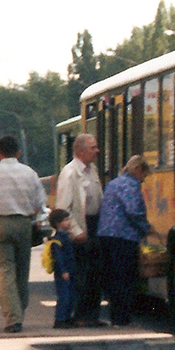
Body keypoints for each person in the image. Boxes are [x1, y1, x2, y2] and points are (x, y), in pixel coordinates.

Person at [0, 134, 46, 334]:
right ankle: (20, 313)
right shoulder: (29, 173)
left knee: (5, 271)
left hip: (0, 223)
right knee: (23, 271)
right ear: (18, 152)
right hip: (23, 223)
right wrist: (28, 215)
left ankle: (12, 318)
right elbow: (39, 203)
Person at [96, 155, 155, 327]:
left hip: (106, 235)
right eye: (144, 175)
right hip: (123, 237)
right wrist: (147, 227)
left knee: (114, 278)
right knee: (125, 278)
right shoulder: (130, 185)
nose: (144, 180)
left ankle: (116, 316)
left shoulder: (113, 183)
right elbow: (133, 211)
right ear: (138, 170)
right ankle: (122, 319)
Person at [54, 133, 105, 327]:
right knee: (81, 275)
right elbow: (63, 207)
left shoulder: (92, 170)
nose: (97, 151)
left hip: (94, 224)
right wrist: (75, 232)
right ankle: (80, 316)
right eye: (93, 148)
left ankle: (92, 315)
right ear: (80, 151)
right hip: (80, 228)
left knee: (94, 274)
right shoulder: (70, 173)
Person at [45, 208, 77, 329]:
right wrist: (63, 271)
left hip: (70, 270)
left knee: (71, 295)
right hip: (64, 273)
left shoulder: (66, 237)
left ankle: (67, 317)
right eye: (66, 220)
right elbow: (59, 258)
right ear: (58, 223)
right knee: (64, 296)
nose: (68, 222)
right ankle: (60, 319)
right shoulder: (58, 240)